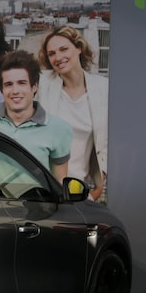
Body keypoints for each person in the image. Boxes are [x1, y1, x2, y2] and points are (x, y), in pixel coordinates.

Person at [0, 50, 71, 183]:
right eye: (8, 85)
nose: (15, 91)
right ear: (1, 89)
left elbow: (60, 180)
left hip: (36, 196)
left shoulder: (59, 129)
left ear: (34, 87)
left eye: (22, 83)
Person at [37, 25, 108, 201]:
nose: (58, 57)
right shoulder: (43, 84)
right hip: (44, 188)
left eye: (63, 49)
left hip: (78, 191)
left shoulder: (103, 88)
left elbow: (107, 145)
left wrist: (96, 191)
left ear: (78, 48)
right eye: (52, 53)